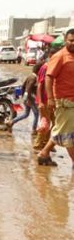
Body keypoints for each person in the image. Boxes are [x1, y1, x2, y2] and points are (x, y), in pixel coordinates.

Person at [37, 29, 74, 168]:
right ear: (65, 40)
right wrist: (50, 99)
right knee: (69, 134)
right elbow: (48, 77)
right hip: (64, 101)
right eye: (71, 40)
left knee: (61, 129)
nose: (73, 43)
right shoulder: (59, 56)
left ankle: (44, 153)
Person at [7, 65, 39, 134]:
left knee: (26, 114)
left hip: (26, 98)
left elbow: (23, 87)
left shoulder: (30, 76)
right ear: (38, 71)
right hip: (29, 99)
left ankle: (11, 122)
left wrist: (23, 98)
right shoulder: (34, 78)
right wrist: (28, 100)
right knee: (36, 114)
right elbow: (28, 89)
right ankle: (34, 129)